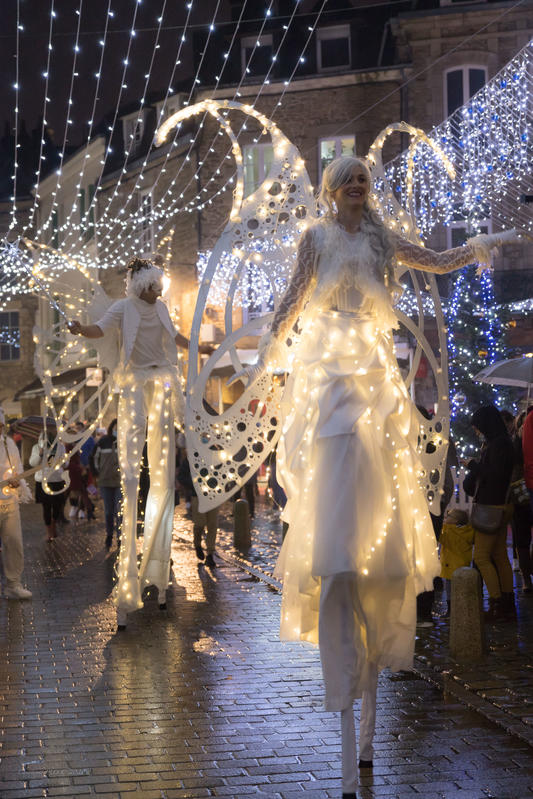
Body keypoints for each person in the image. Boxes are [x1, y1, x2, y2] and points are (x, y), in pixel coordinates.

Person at [228, 155, 525, 798]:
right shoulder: (317, 240)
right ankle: (337, 569)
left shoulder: (382, 240)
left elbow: (433, 260)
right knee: (337, 509)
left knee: (378, 507)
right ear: (332, 192)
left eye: (365, 178)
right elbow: (291, 299)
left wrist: (476, 247)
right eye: (348, 179)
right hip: (331, 379)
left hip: (373, 376)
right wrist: (269, 354)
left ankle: (366, 730)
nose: (359, 186)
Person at [68, 256, 209, 628]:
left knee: (161, 473)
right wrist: (81, 329)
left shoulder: (161, 308)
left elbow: (175, 338)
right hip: (133, 385)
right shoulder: (123, 307)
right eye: (151, 286)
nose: (157, 292)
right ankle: (128, 583)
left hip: (161, 382)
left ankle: (158, 574)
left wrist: (198, 346)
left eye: (159, 286)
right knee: (132, 476)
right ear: (138, 286)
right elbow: (100, 329)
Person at [463, 404, 515, 621]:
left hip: (491, 506)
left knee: (482, 556)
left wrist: (474, 465)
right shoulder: (503, 442)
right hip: (503, 505)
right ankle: (507, 603)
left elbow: (494, 475)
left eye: (478, 427)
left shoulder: (497, 445)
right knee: (500, 554)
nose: (477, 432)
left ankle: (496, 604)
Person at [0, 408, 32, 599]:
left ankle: (13, 584)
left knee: (14, 542)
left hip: (9, 502)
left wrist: (16, 480)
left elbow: (17, 468)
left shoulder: (9, 444)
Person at [178, 453, 219, 568]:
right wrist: (195, 484)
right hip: (198, 495)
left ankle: (210, 554)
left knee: (212, 525)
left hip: (214, 495)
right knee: (200, 523)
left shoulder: (216, 455)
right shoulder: (192, 455)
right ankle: (197, 545)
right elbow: (182, 476)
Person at [509, 410, 533, 592]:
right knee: (522, 538)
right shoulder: (514, 444)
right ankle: (526, 579)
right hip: (520, 494)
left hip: (527, 489)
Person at [29, 433, 68, 542]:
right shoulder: (36, 447)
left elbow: (66, 463)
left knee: (57, 506)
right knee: (46, 507)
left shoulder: (60, 446)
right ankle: (49, 532)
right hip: (43, 481)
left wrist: (61, 460)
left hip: (57, 480)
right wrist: (40, 454)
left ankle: (53, 523)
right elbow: (32, 463)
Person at [91, 418, 121, 551]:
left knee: (119, 511)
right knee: (108, 511)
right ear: (111, 428)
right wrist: (97, 473)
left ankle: (121, 537)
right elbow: (93, 457)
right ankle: (109, 535)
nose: (117, 429)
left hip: (120, 482)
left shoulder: (126, 442)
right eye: (115, 427)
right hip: (105, 481)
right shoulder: (103, 442)